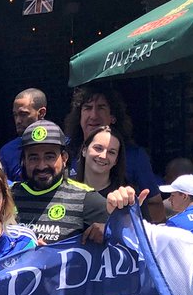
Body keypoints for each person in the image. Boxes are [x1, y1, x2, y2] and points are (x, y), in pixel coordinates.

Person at [63, 83, 165, 222]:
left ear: (113, 117)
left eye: (101, 108)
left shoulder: (134, 156)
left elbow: (156, 205)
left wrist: (128, 222)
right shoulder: (64, 150)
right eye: (87, 108)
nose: (93, 115)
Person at [12, 120, 108, 245]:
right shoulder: (7, 196)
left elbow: (128, 232)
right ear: (24, 160)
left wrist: (109, 230)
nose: (41, 166)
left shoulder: (84, 198)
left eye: (49, 157)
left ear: (64, 158)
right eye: (33, 158)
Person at [0, 88, 47, 183]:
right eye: (15, 115)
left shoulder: (62, 144)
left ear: (41, 113)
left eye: (23, 114)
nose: (18, 121)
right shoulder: (7, 151)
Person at [78, 125, 127, 197]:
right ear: (84, 150)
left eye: (111, 152)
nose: (103, 156)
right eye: (98, 148)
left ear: (116, 160)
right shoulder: (64, 190)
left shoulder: (126, 196)